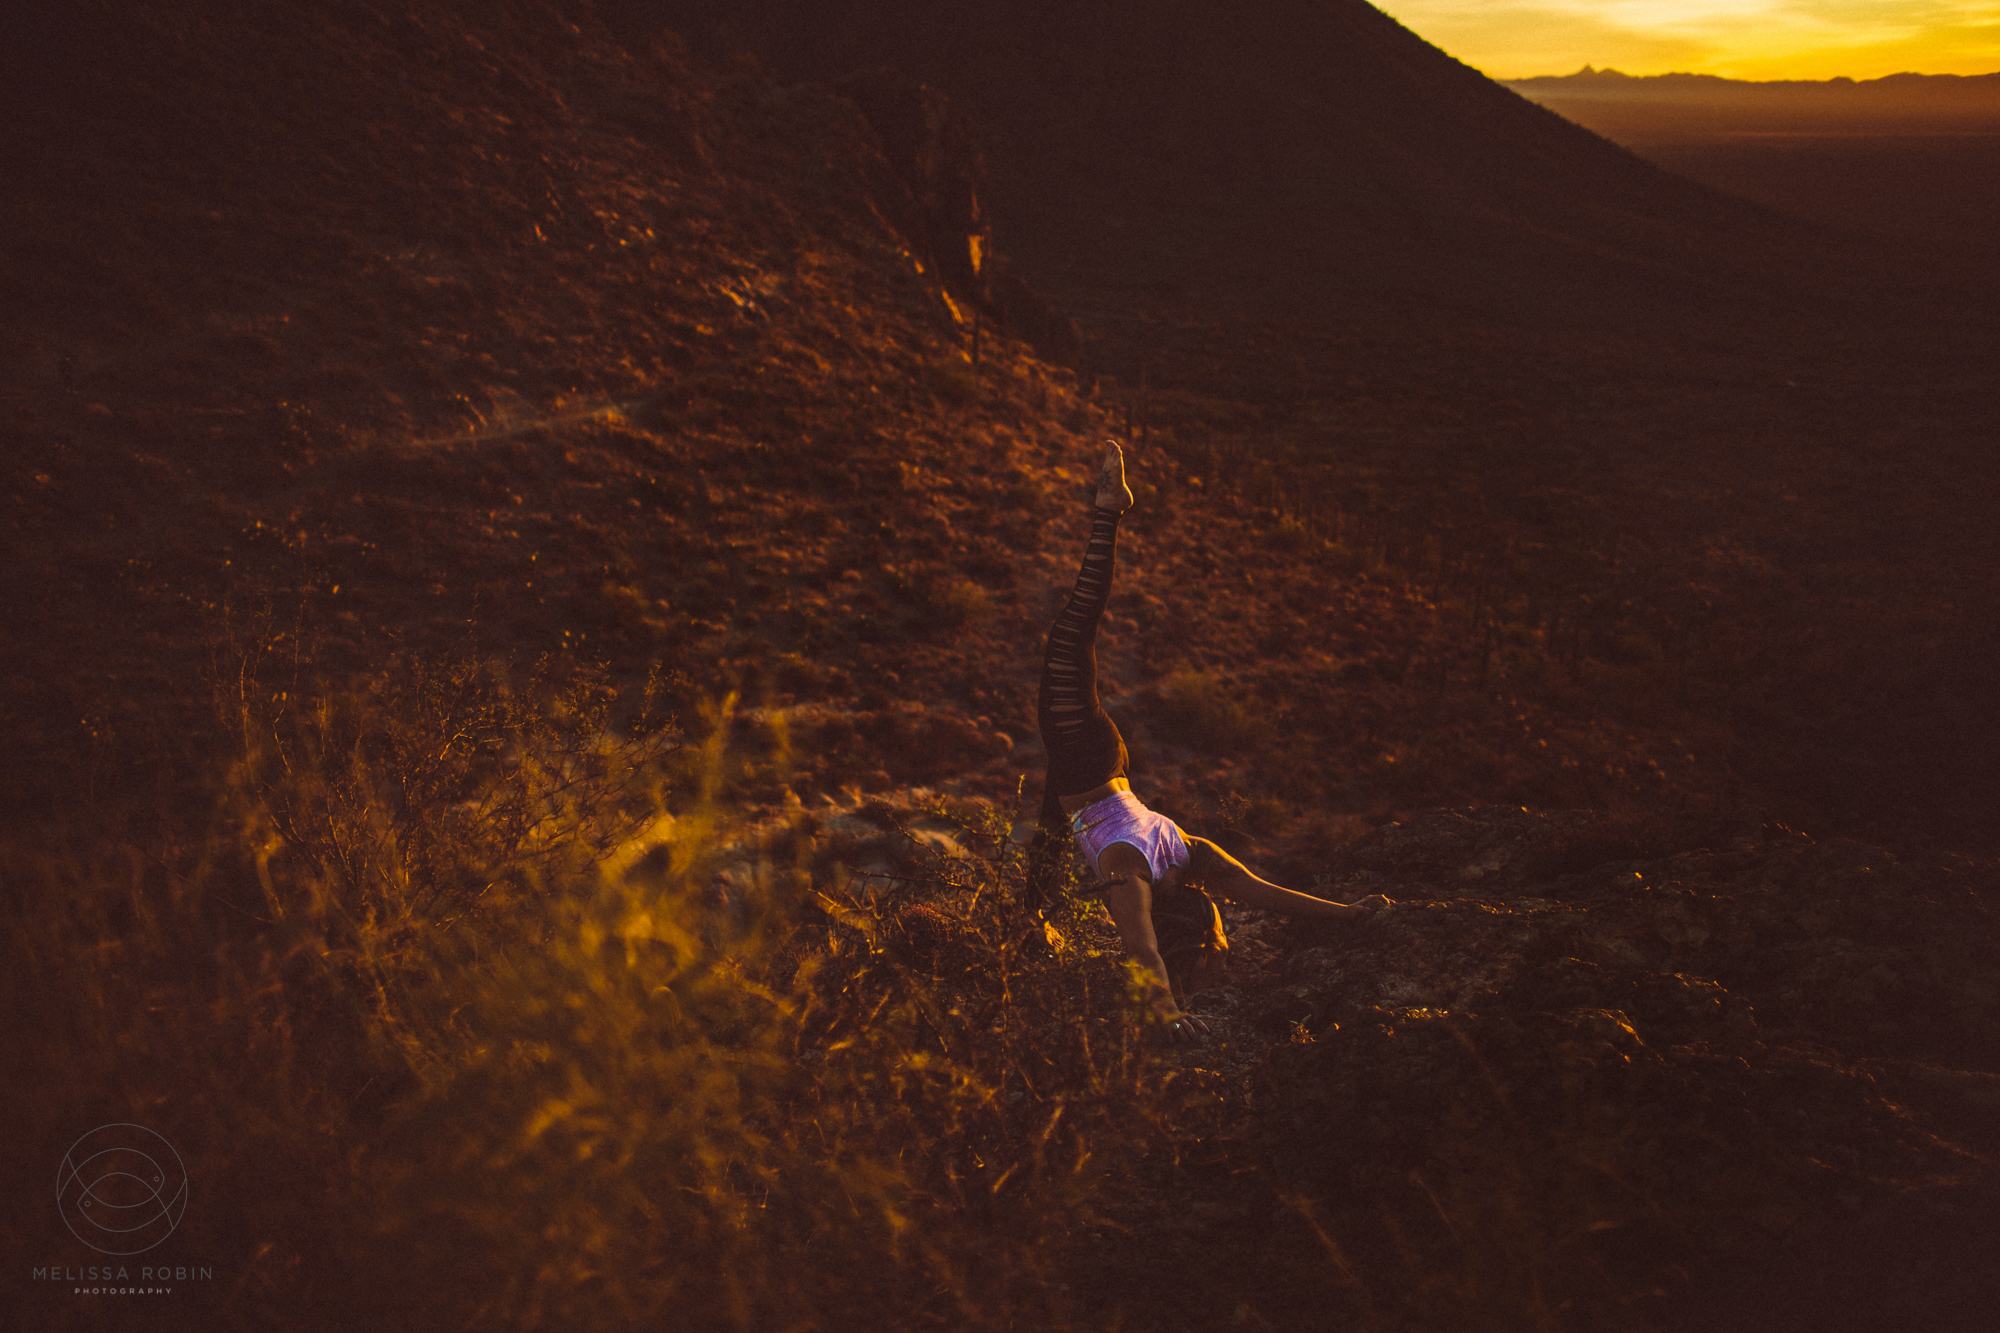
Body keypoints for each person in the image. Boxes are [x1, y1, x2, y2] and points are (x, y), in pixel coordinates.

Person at [1026, 440, 1391, 1043]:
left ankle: (1028, 920)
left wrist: (1350, 915)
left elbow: (1263, 894)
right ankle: (1109, 511)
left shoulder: (1184, 854)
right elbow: (1143, 946)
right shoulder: (1130, 867)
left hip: (1102, 766)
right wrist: (1168, 1015)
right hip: (1087, 759)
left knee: (1049, 824)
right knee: (1071, 633)